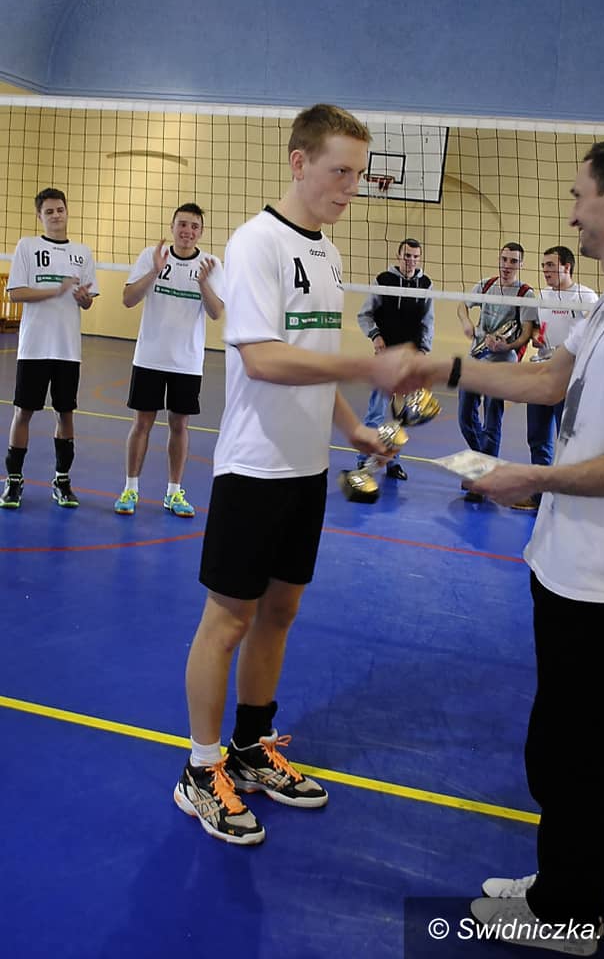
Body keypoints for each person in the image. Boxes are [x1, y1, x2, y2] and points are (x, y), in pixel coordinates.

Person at [415, 137, 604, 953]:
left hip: (603, 571)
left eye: (579, 194)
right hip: (571, 559)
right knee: (561, 736)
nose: (570, 211)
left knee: (574, 745)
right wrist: (442, 369)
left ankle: (571, 914)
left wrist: (529, 478)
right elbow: (546, 380)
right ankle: (560, 883)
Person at [174, 103, 414, 846]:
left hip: (307, 469)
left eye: (359, 174)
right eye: (340, 171)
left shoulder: (329, 253)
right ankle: (201, 769)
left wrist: (354, 430)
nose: (352, 186)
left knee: (280, 613)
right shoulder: (256, 244)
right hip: (254, 468)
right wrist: (370, 367)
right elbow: (262, 358)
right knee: (228, 621)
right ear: (299, 162)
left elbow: (314, 358)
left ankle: (251, 748)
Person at [113, 203, 224, 518]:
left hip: (186, 362)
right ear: (173, 227)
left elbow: (216, 312)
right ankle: (130, 489)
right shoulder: (152, 255)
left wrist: (203, 283)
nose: (187, 231)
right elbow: (128, 299)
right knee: (142, 423)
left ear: (201, 232)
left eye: (194, 226)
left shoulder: (211, 264)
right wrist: (154, 271)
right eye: (182, 224)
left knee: (180, 425)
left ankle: (174, 493)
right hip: (149, 357)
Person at [0, 187, 97, 510]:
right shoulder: (27, 246)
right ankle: (14, 481)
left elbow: (87, 302)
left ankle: (62, 481)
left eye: (60, 210)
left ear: (67, 211)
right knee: (23, 412)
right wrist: (56, 290)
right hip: (34, 347)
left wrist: (83, 298)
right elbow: (15, 293)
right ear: (39, 216)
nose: (56, 215)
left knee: (65, 413)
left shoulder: (82, 252)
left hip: (67, 349)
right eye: (49, 211)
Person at [512, 245, 598, 511]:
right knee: (537, 437)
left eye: (550, 265)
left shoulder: (585, 296)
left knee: (567, 441)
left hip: (570, 379)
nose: (545, 270)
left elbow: (595, 337)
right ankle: (540, 496)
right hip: (543, 372)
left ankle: (566, 497)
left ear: (566, 267)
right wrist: (538, 338)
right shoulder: (544, 296)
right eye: (543, 265)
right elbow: (540, 330)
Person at [457, 242, 536, 501]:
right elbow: (462, 305)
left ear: (521, 264)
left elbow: (525, 334)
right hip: (476, 357)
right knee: (465, 416)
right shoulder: (486, 285)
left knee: (492, 418)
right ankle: (484, 465)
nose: (507, 265)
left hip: (503, 362)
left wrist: (506, 345)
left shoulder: (525, 294)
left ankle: (484, 479)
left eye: (513, 261)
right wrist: (466, 322)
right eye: (504, 259)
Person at [355, 237, 433, 480]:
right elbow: (364, 314)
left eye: (415, 257)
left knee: (400, 418)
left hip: (410, 361)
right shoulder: (383, 280)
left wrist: (423, 350)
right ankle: (364, 459)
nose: (411, 261)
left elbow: (428, 321)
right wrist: (375, 336)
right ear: (398, 256)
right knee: (376, 413)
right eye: (407, 256)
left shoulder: (426, 284)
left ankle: (392, 462)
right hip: (385, 358)